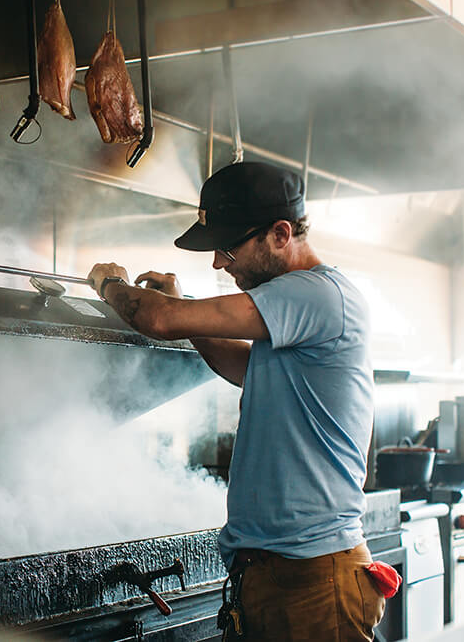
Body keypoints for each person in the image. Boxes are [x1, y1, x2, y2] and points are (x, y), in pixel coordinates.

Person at [87, 161, 388, 641]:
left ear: (280, 233)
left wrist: (109, 285)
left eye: (227, 249)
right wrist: (184, 310)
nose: (219, 264)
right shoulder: (295, 310)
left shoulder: (316, 294)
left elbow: (160, 320)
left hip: (314, 578)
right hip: (277, 573)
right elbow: (245, 370)